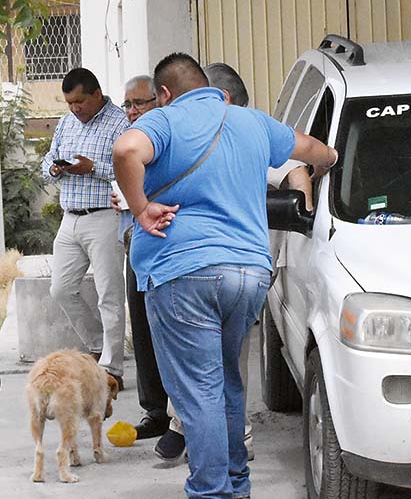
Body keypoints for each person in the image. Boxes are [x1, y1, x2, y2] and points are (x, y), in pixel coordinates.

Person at [113, 53, 337, 499]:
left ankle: (211, 491)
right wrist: (321, 168)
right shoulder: (253, 122)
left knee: (199, 393)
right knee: (227, 383)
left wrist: (140, 208)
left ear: (164, 93)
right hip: (248, 275)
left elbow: (125, 151)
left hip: (184, 273)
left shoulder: (165, 121)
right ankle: (236, 484)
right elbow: (319, 151)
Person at [152, 62, 261, 462]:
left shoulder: (247, 129)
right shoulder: (186, 133)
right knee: (208, 370)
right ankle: (216, 456)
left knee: (215, 373)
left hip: (221, 269)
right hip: (221, 270)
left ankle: (217, 467)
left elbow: (295, 169)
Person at [41, 67, 131, 389]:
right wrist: (54, 168)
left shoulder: (120, 123)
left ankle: (112, 368)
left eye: (80, 101)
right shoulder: (66, 123)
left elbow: (129, 169)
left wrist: (93, 168)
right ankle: (97, 344)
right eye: (69, 103)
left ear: (97, 94)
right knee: (61, 289)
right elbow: (48, 159)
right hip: (70, 217)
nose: (75, 108)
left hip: (105, 216)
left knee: (109, 294)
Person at [118, 73, 171, 440]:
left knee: (171, 331)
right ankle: (155, 410)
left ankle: (180, 416)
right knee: (141, 328)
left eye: (139, 103)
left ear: (160, 99)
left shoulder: (170, 135)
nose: (132, 110)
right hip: (137, 242)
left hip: (169, 244)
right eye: (128, 104)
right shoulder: (130, 138)